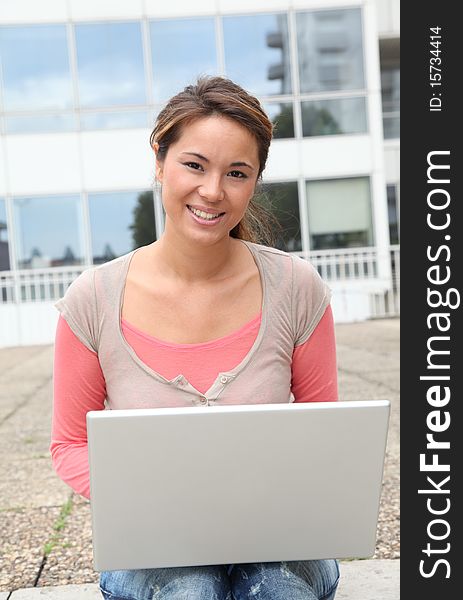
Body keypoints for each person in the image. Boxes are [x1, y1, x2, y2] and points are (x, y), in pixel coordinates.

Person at [51, 75, 340, 600]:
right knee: (189, 588)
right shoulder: (91, 299)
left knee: (276, 587)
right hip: (154, 535)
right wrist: (148, 500)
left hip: (279, 534)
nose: (212, 191)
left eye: (236, 173)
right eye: (194, 165)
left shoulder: (297, 288)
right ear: (159, 163)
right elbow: (69, 445)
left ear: (255, 182)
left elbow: (329, 435)